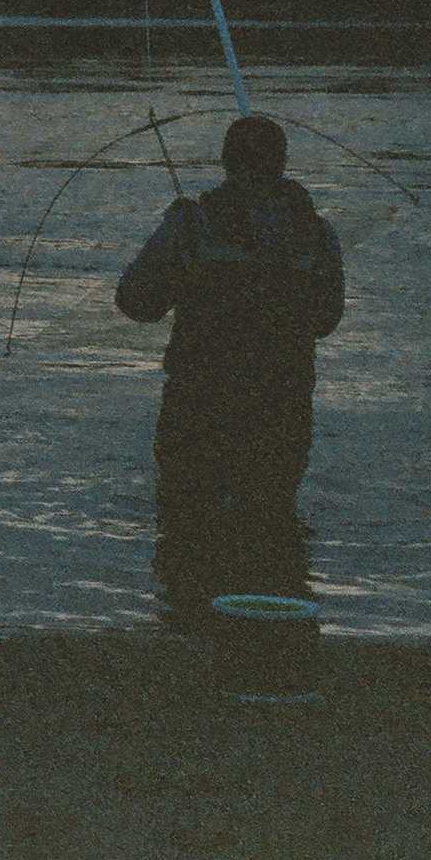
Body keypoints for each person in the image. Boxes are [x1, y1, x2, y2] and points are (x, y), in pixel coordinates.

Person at [116, 114, 344, 622]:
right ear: (282, 164)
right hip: (283, 410)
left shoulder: (192, 225)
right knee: (272, 524)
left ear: (225, 162)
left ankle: (191, 630)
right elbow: (326, 320)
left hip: (198, 408)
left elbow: (135, 302)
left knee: (187, 526)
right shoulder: (317, 234)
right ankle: (272, 629)